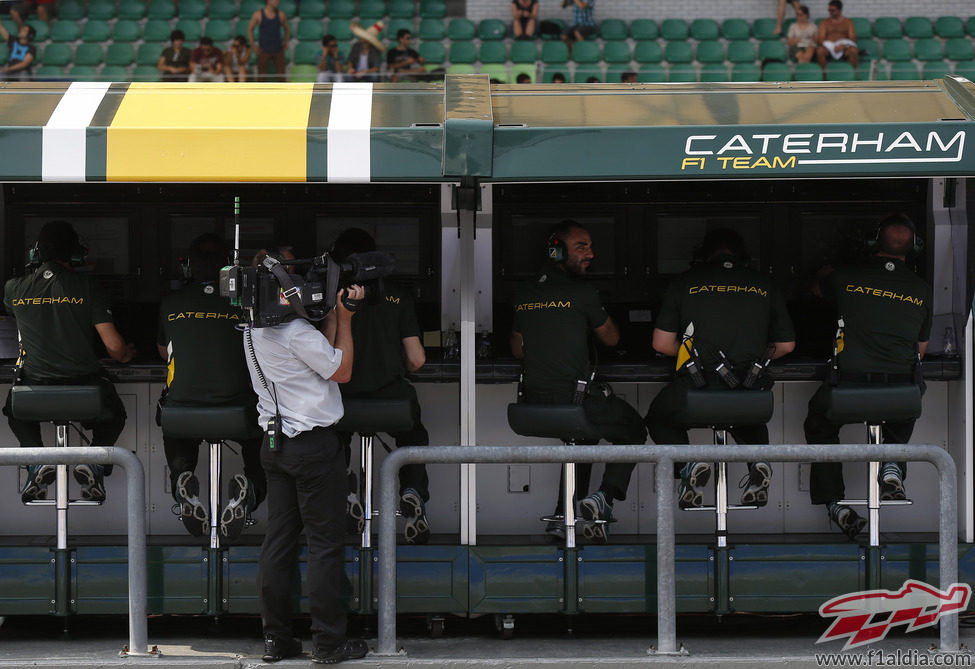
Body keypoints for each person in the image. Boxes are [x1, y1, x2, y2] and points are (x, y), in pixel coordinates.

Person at [245, 259, 368, 664]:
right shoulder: (296, 332)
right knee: (324, 546)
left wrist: (332, 315)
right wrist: (347, 320)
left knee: (278, 543)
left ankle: (276, 640)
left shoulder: (252, 330)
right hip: (314, 449)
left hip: (275, 445)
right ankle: (329, 644)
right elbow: (342, 369)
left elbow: (322, 358)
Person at [510, 221, 646, 543]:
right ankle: (603, 499)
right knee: (634, 429)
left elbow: (517, 348)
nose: (591, 254)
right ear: (557, 251)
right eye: (581, 247)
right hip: (575, 405)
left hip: (532, 406)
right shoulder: (583, 293)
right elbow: (611, 338)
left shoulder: (525, 293)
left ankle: (563, 516)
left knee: (582, 438)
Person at [645, 228, 796, 510]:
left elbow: (661, 343)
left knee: (657, 418)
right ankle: (758, 463)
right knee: (744, 413)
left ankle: (690, 465)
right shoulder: (764, 283)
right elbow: (786, 345)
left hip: (697, 393)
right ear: (744, 257)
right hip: (751, 398)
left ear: (703, 257)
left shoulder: (684, 283)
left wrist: (698, 355)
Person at [804, 214, 931, 540]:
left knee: (818, 422)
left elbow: (816, 290)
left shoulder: (845, 277)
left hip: (848, 388)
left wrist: (825, 273)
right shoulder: (921, 289)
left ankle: (835, 504)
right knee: (910, 394)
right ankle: (892, 463)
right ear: (915, 247)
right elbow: (921, 349)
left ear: (874, 242)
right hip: (900, 392)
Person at [3, 221, 135, 504]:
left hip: (33, 389)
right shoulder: (88, 286)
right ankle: (94, 463)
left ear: (35, 254)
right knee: (116, 414)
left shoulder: (14, 288)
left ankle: (37, 459)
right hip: (84, 387)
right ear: (77, 254)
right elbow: (114, 348)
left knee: (14, 411)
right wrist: (126, 355)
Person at [156, 234, 266, 541]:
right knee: (261, 447)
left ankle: (183, 486)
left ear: (189, 267)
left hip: (182, 411)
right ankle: (250, 494)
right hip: (238, 410)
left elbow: (165, 352)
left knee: (178, 437)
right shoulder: (246, 302)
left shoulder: (171, 302)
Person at [329, 228, 431, 544]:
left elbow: (322, 355)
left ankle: (344, 487)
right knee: (414, 434)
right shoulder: (398, 295)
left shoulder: (332, 294)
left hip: (342, 401)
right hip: (391, 401)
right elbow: (417, 360)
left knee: (332, 436)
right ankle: (413, 491)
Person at [248, 0, 289, 82]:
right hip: (263, 50)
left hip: (278, 49)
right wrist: (253, 45)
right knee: (261, 77)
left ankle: (284, 94)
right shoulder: (258, 14)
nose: (278, 1)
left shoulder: (281, 15)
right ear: (268, 1)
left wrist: (286, 42)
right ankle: (260, 94)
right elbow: (250, 29)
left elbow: (287, 29)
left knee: (282, 76)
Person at [816, 0, 857, 71]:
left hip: (844, 47)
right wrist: (831, 46)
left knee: (853, 51)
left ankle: (853, 75)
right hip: (829, 47)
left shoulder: (848, 22)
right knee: (820, 51)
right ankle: (824, 76)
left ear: (840, 10)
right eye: (829, 10)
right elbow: (820, 39)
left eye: (833, 10)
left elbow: (852, 38)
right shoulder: (825, 22)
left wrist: (843, 46)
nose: (830, 12)